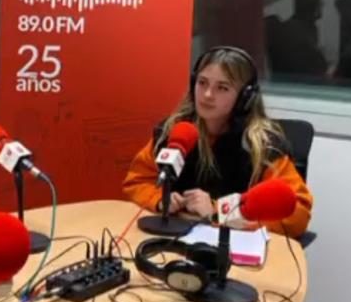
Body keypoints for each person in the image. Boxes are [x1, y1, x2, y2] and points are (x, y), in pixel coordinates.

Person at [122, 46, 313, 239]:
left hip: (233, 247)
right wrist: (160, 201)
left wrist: (219, 211)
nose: (207, 95)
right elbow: (138, 181)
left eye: (222, 88)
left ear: (245, 97)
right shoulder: (175, 133)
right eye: (202, 83)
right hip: (174, 240)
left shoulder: (263, 146)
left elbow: (297, 212)